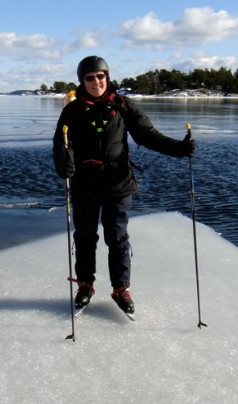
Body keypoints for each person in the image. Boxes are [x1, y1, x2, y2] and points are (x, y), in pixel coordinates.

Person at [53, 56, 196, 315]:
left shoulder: (122, 105)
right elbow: (62, 144)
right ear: (82, 81)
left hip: (118, 182)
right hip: (84, 184)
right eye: (89, 78)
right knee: (85, 237)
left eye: (100, 76)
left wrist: (179, 149)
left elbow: (147, 135)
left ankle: (121, 288)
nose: (96, 82)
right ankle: (85, 284)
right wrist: (64, 162)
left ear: (107, 77)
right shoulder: (71, 111)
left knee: (117, 238)